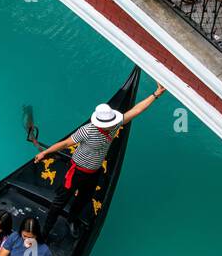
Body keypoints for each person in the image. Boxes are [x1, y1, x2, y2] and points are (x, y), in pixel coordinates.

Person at [36, 88, 166, 241]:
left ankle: (72, 219)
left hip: (94, 172)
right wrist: (45, 153)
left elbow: (137, 110)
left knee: (84, 198)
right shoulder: (87, 130)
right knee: (59, 202)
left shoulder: (115, 124)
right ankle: (44, 232)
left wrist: (156, 94)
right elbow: (65, 143)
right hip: (76, 171)